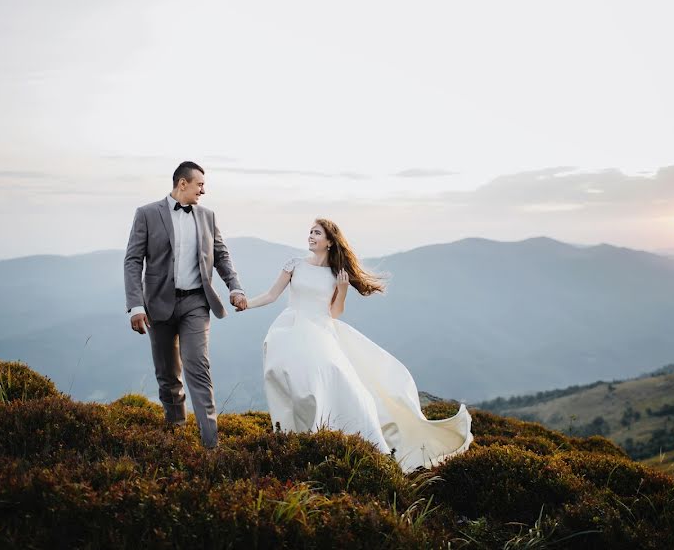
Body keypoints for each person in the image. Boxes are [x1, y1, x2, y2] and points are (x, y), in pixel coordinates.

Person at [238, 218, 472, 472]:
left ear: (329, 241)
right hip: (291, 329)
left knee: (332, 381)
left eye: (317, 233)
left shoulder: (336, 275)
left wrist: (343, 289)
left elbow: (334, 313)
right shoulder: (294, 265)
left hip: (320, 331)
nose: (311, 236)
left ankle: (336, 440)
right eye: (310, 232)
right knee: (294, 382)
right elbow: (272, 295)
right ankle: (296, 439)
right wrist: (246, 303)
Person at [123, 161, 247, 448]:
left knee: (198, 368)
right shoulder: (146, 214)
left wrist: (235, 287)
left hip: (195, 303)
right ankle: (176, 433)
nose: (204, 190)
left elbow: (222, 256)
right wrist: (136, 305)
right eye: (200, 185)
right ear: (182, 183)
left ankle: (210, 445)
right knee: (167, 374)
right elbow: (132, 261)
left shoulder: (207, 216)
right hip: (158, 305)